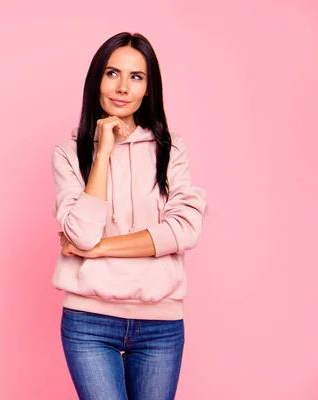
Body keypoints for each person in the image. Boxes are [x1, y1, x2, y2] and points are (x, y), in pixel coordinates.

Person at [51, 32, 208, 400]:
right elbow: (82, 233)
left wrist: (98, 249)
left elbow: (184, 229)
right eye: (112, 73)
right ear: (97, 80)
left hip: (160, 323)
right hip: (88, 323)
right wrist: (103, 152)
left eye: (136, 77)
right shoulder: (68, 153)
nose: (123, 87)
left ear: (149, 88)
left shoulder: (171, 150)